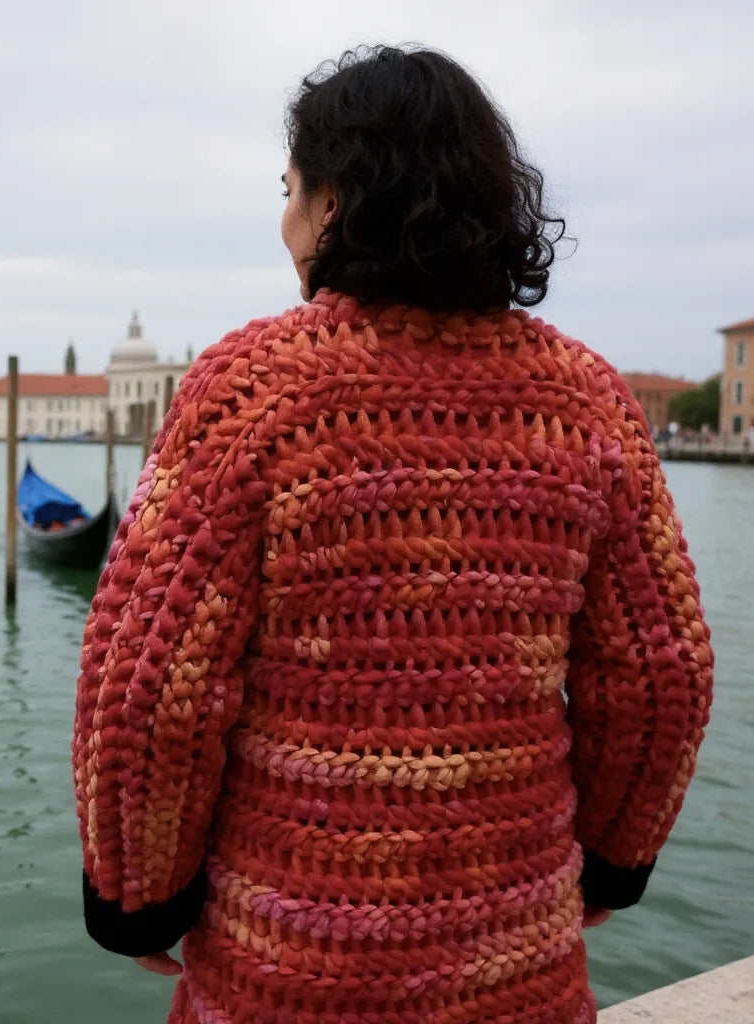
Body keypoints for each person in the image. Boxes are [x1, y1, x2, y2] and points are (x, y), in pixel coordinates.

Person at [72, 45, 713, 1024]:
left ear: (336, 203)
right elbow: (661, 678)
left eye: (289, 191)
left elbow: (150, 689)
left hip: (281, 973)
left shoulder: (249, 394)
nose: (283, 222)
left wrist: (138, 895)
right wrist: (609, 865)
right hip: (518, 963)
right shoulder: (588, 403)